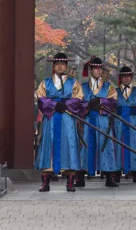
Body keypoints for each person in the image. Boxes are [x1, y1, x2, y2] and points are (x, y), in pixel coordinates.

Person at [35, 52, 84, 192]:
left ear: (66, 66)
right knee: (48, 144)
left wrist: (66, 104)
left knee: (69, 143)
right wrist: (54, 105)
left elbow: (79, 99)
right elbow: (40, 98)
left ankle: (70, 182)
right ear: (54, 66)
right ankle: (45, 182)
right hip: (51, 117)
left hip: (67, 117)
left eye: (63, 64)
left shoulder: (73, 82)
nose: (60, 66)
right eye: (57, 64)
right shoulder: (46, 82)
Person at [78, 56, 119, 188]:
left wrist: (101, 102)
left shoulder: (108, 87)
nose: (98, 71)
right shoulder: (83, 87)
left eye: (100, 68)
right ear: (90, 70)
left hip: (103, 119)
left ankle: (109, 177)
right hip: (88, 119)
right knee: (85, 145)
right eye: (95, 68)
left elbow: (113, 102)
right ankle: (80, 177)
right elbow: (77, 102)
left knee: (105, 145)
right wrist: (88, 105)